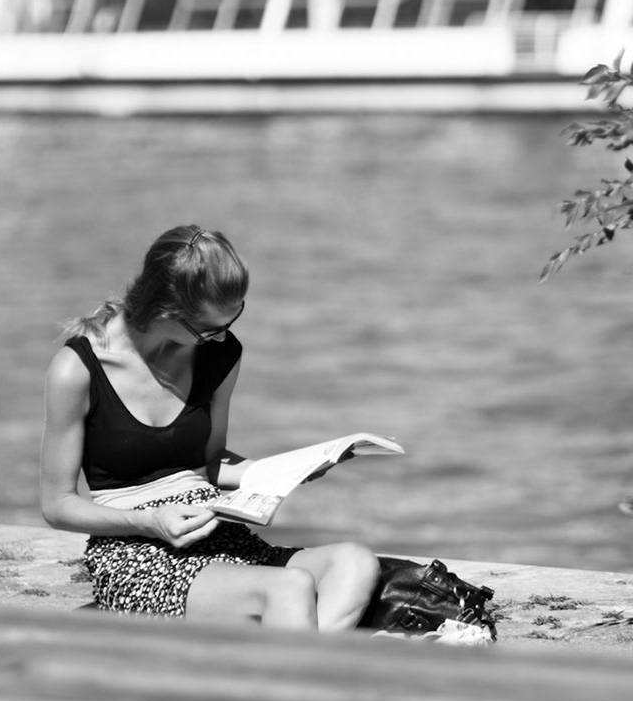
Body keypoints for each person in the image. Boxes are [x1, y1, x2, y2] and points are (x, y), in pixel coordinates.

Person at [40, 225, 382, 630]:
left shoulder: (218, 354)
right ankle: (298, 663)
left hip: (215, 531)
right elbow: (57, 505)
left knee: (355, 563)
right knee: (290, 588)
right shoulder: (77, 369)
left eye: (232, 319)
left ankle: (292, 659)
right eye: (209, 329)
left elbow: (211, 461)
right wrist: (150, 522)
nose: (222, 338)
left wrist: (282, 472)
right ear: (164, 310)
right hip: (136, 550)